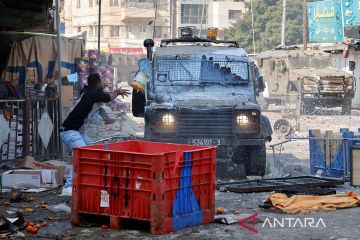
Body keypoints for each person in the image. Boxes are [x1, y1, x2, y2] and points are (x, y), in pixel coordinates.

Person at [60, 73, 129, 150]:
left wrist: (107, 89)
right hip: (70, 131)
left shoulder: (88, 92)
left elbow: (103, 94)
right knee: (84, 154)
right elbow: (108, 97)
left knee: (93, 151)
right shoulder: (92, 94)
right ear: (97, 82)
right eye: (102, 80)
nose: (104, 83)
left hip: (78, 132)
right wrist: (117, 92)